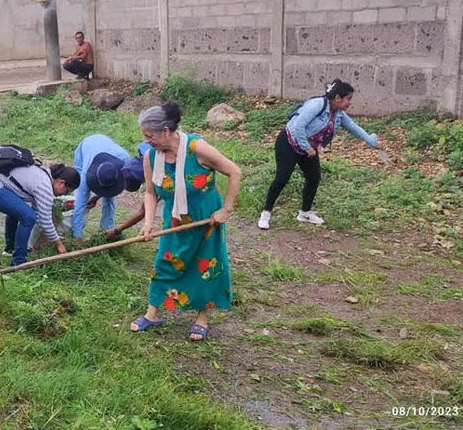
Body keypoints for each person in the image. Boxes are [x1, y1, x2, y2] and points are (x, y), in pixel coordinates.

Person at [130, 102, 242, 342]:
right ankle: (152, 314)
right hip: (174, 219)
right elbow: (150, 192)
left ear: (165, 131)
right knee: (165, 261)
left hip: (206, 219)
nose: (147, 141)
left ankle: (202, 318)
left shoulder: (197, 148)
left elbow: (235, 172)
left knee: (205, 266)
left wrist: (226, 209)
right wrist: (148, 223)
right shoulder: (151, 156)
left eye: (150, 136)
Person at [257, 79, 382, 230]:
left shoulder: (338, 114)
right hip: (289, 142)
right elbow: (298, 126)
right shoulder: (317, 105)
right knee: (282, 178)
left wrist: (372, 142)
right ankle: (266, 213)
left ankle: (305, 213)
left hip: (308, 148)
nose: (350, 103)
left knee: (314, 177)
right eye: (348, 99)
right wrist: (306, 147)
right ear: (337, 98)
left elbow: (353, 127)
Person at [0, 163, 80, 266]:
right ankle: (19, 262)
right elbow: (45, 221)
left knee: (19, 210)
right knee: (28, 217)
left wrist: (52, 233)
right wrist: (58, 243)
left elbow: (39, 214)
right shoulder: (45, 186)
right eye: (67, 191)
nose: (64, 195)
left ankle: (10, 250)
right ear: (61, 183)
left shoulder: (44, 175)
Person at [71, 134, 139, 241]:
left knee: (109, 198)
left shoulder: (125, 162)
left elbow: (110, 188)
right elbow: (80, 205)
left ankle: (106, 232)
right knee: (80, 196)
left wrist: (96, 196)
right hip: (87, 146)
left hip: (105, 144)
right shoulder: (86, 175)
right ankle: (75, 231)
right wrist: (77, 237)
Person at [103, 142, 153, 241]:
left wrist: (116, 230)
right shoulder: (140, 156)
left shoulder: (157, 177)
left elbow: (143, 212)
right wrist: (97, 197)